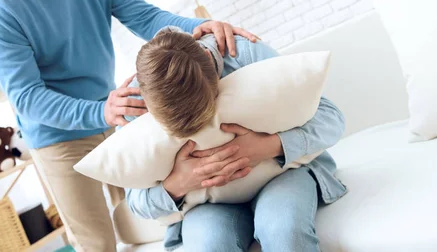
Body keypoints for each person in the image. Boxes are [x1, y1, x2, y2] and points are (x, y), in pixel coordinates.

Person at [0, 0, 257, 252]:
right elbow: (28, 98)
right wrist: (100, 111)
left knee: (156, 215)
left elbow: (142, 16)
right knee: (97, 242)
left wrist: (195, 27)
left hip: (116, 113)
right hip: (57, 136)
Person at [125, 27, 348, 251]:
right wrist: (179, 182)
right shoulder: (132, 102)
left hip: (282, 177)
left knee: (283, 230)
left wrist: (268, 146)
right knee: (210, 246)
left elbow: (331, 119)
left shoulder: (243, 54)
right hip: (207, 205)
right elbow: (136, 202)